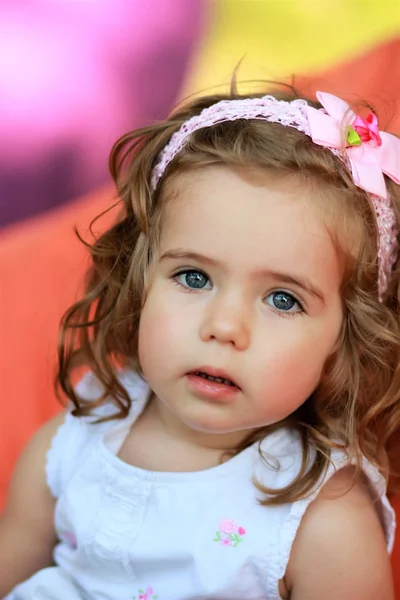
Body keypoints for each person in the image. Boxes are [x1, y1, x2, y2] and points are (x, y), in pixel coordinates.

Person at [1, 86, 400, 600]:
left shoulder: (323, 520)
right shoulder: (78, 439)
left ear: (345, 341)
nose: (224, 326)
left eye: (282, 299)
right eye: (193, 278)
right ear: (140, 282)